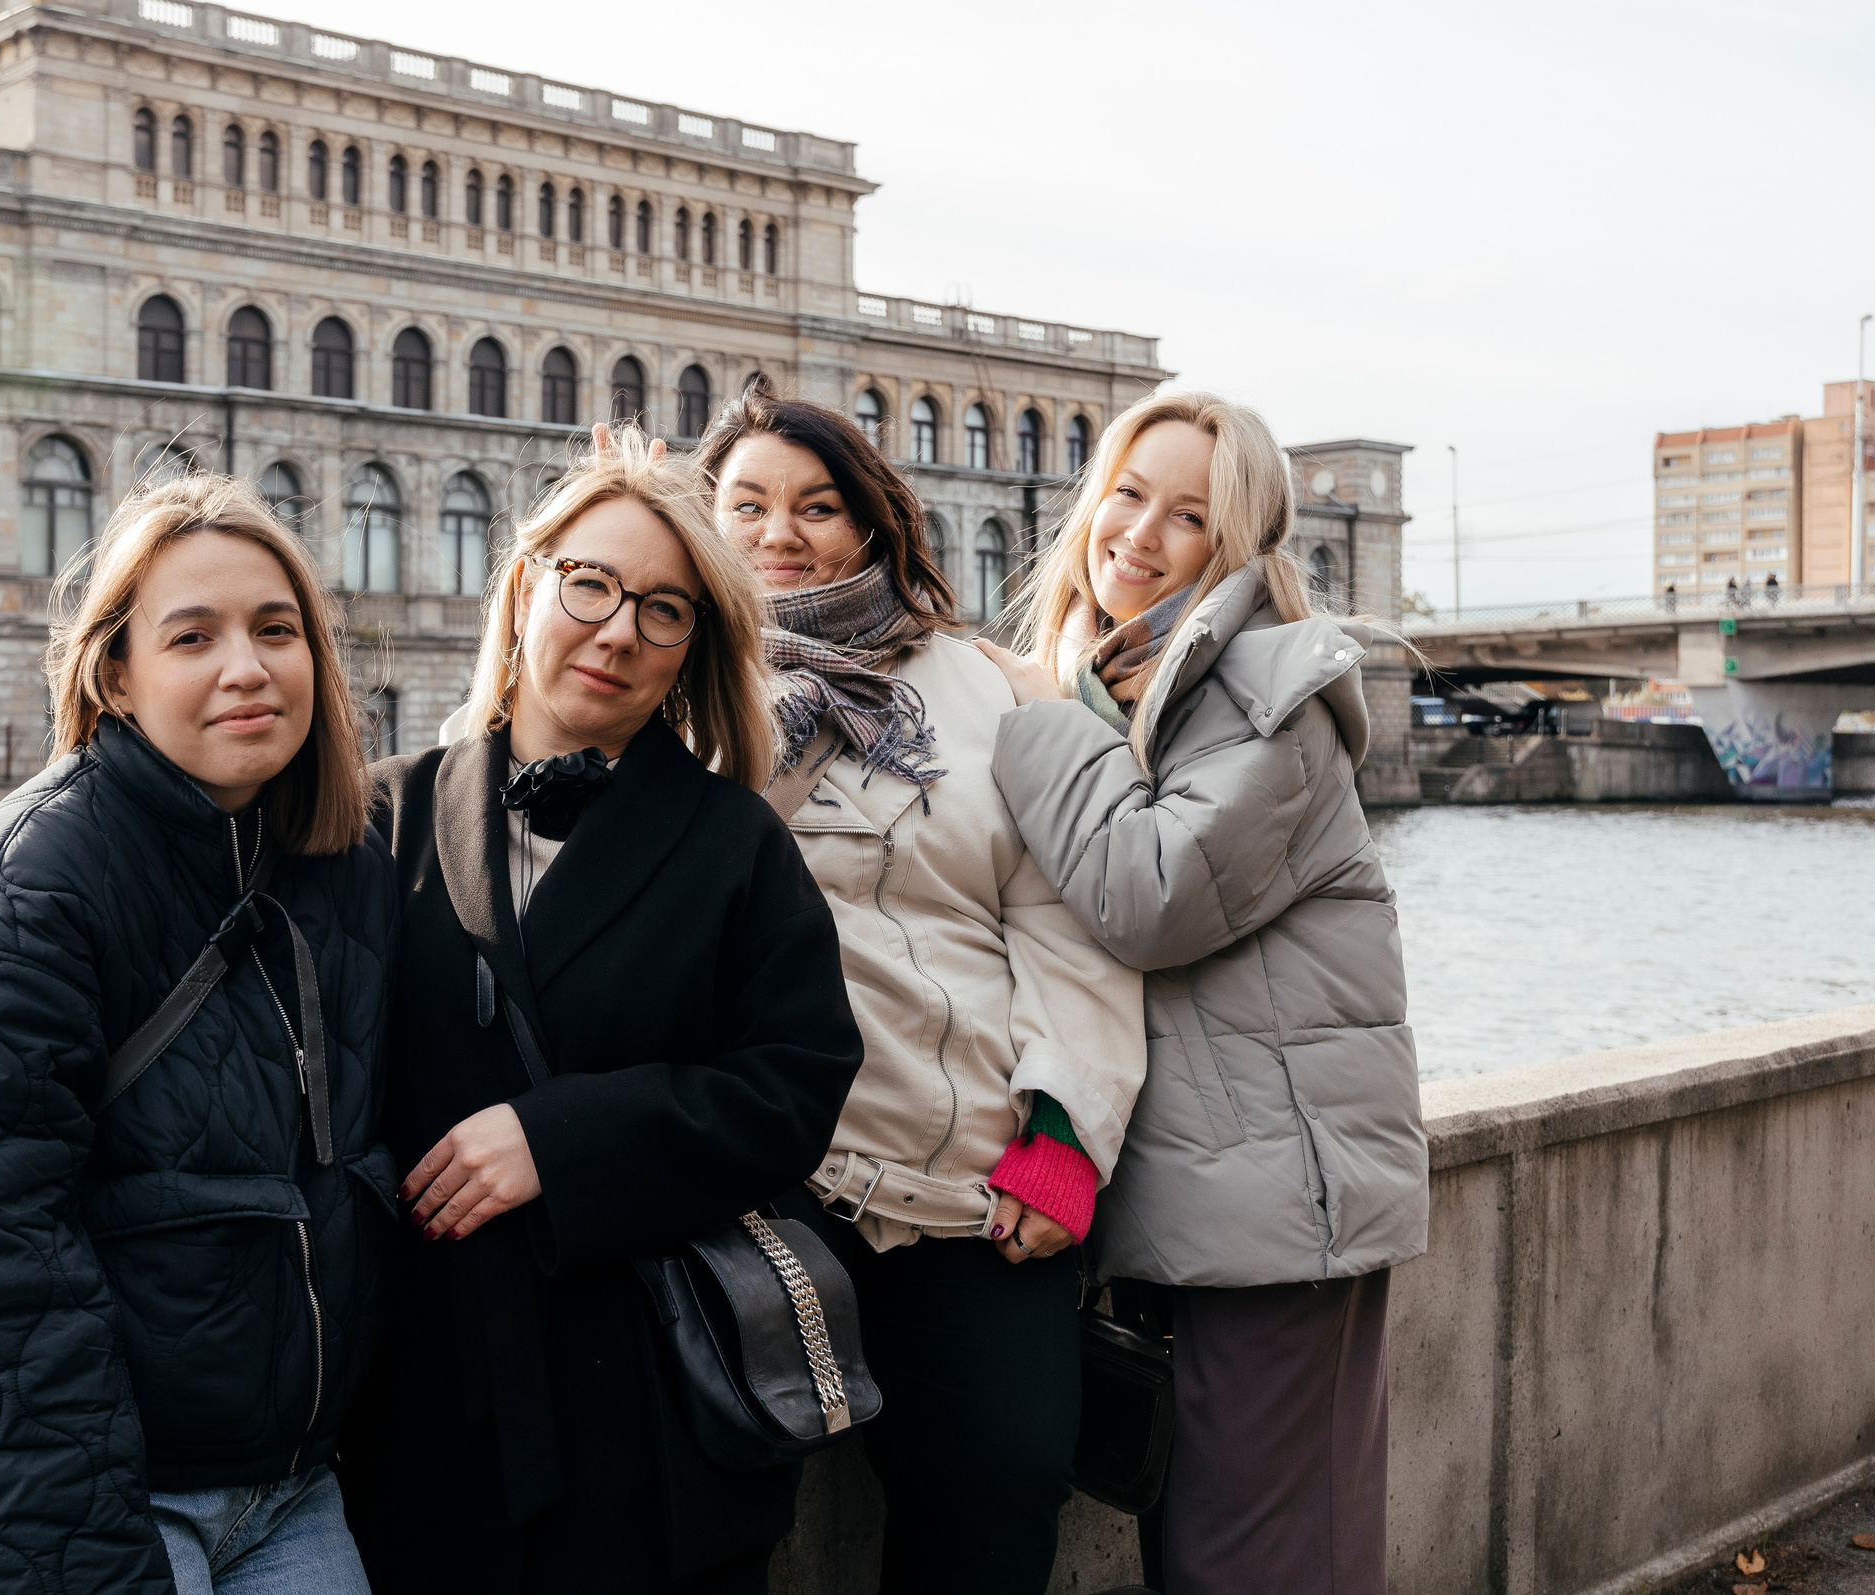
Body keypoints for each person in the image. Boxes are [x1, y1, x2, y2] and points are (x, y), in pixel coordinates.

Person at [0, 474, 394, 1595]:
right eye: (192, 636)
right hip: (84, 1487)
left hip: (285, 1486)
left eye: (276, 630)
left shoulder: (342, 869)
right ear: (115, 675)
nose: (245, 666)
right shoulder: (25, 895)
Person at [353, 433, 864, 1595]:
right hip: (425, 1396)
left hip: (650, 1410)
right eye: (591, 583)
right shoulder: (380, 816)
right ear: (528, 585)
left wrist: (561, 1140)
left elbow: (795, 1090)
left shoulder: (737, 845)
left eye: (665, 609)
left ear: (692, 650)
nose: (620, 629)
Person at [690, 387, 1146, 1594]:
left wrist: (1064, 1135)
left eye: (815, 505)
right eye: (744, 505)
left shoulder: (994, 692)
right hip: (755, 1180)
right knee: (713, 1510)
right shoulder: (665, 679)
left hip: (960, 1192)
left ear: (876, 524)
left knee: (998, 1490)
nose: (778, 533)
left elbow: (1068, 926)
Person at [975, 388, 1429, 1595]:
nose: (1137, 532)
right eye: (1125, 493)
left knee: (1256, 1563)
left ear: (1233, 548)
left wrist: (1028, 720)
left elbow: (1148, 893)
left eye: (1186, 516)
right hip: (1222, 1198)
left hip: (1277, 1211)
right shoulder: (1134, 689)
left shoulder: (1266, 697)